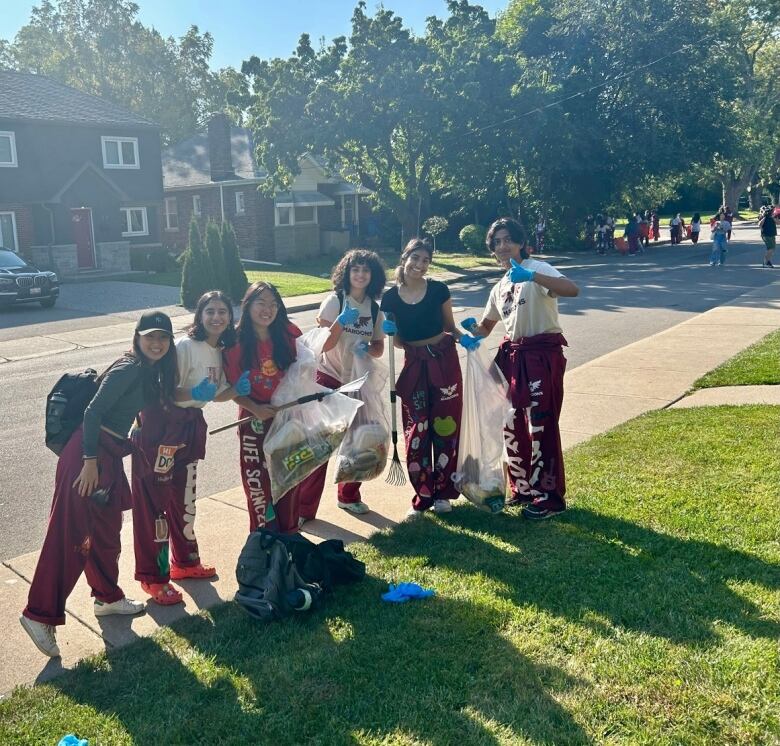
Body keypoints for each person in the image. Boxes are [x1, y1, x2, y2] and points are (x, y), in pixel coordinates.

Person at [20, 311, 178, 657]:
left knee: (107, 530)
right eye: (149, 336)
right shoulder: (129, 368)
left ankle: (107, 597)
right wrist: (90, 462)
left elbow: (127, 413)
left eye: (163, 338)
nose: (156, 343)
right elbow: (92, 412)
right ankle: (39, 614)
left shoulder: (150, 373)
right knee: (70, 534)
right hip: (86, 456)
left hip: (107, 454)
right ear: (137, 337)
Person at [131, 291, 250, 605]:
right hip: (161, 426)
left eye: (222, 312)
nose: (216, 317)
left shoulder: (219, 350)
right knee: (154, 506)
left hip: (190, 425)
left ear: (230, 317)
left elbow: (217, 393)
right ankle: (153, 579)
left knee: (185, 500)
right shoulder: (185, 346)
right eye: (210, 311)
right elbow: (165, 389)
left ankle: (185, 562)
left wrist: (236, 389)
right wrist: (192, 391)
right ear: (200, 316)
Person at [460, 218, 579, 520]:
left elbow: (571, 289)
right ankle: (523, 487)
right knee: (511, 424)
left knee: (541, 425)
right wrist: (469, 330)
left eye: (508, 240)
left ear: (522, 243)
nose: (502, 246)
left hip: (542, 355)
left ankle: (548, 497)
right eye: (497, 242)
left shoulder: (538, 269)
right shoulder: (499, 287)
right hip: (514, 359)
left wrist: (535, 277)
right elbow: (487, 326)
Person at [296, 249, 386, 524]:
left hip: (359, 381)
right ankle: (303, 508)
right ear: (346, 273)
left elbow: (380, 347)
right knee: (322, 445)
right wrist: (339, 323)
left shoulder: (374, 308)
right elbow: (324, 345)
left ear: (373, 276)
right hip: (329, 378)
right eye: (355, 269)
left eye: (365, 270)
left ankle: (348, 496)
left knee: (360, 442)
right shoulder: (334, 302)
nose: (360, 274)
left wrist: (368, 347)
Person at [380, 238, 463, 519]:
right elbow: (399, 343)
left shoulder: (439, 290)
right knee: (417, 428)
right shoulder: (390, 298)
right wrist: (391, 332)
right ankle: (423, 494)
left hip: (444, 361)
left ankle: (443, 492)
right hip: (415, 364)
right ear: (405, 258)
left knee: (446, 426)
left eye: (426, 260)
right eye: (415, 258)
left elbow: (450, 327)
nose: (420, 264)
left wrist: (469, 339)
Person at [223, 282, 301, 533]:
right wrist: (254, 408)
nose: (268, 309)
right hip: (253, 419)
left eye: (273, 304)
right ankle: (263, 537)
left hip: (286, 416)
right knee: (257, 481)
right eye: (261, 303)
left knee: (288, 478)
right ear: (248, 306)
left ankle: (288, 537)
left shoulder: (289, 334)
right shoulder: (235, 342)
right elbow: (232, 388)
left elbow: (307, 369)